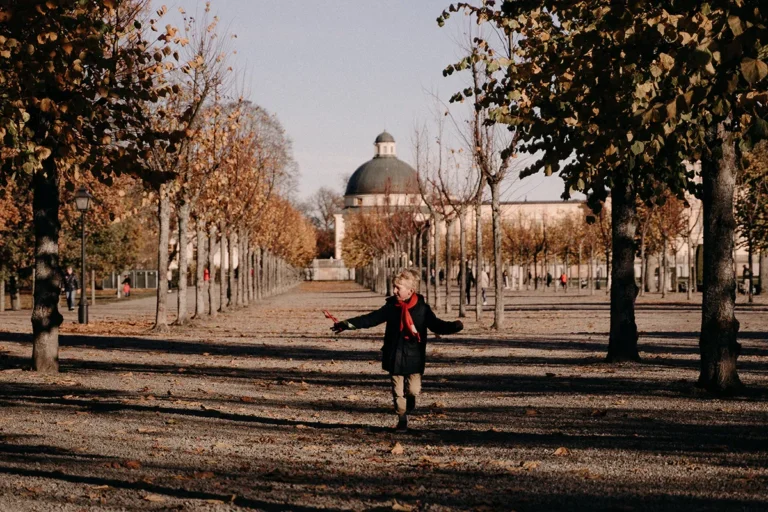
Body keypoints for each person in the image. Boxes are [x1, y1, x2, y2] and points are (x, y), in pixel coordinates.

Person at [331, 269, 463, 432]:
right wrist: (346, 324)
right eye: (394, 287)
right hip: (394, 355)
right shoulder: (391, 307)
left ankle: (411, 401)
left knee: (413, 390)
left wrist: (455, 326)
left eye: (398, 288)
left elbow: (437, 325)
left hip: (414, 356)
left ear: (410, 291)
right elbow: (370, 319)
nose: (394, 291)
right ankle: (402, 419)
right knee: (397, 391)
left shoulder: (422, 309)